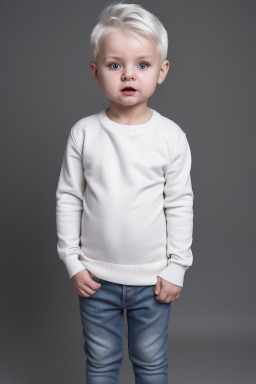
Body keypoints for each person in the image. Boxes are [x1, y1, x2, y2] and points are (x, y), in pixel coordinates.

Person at [56, 2, 194, 383]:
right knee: (101, 363)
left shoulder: (170, 137)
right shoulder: (84, 132)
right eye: (115, 64)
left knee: (150, 364)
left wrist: (177, 266)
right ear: (96, 73)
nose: (128, 74)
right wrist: (72, 260)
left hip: (153, 282)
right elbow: (69, 196)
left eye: (142, 65)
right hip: (94, 278)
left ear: (161, 71)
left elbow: (180, 203)